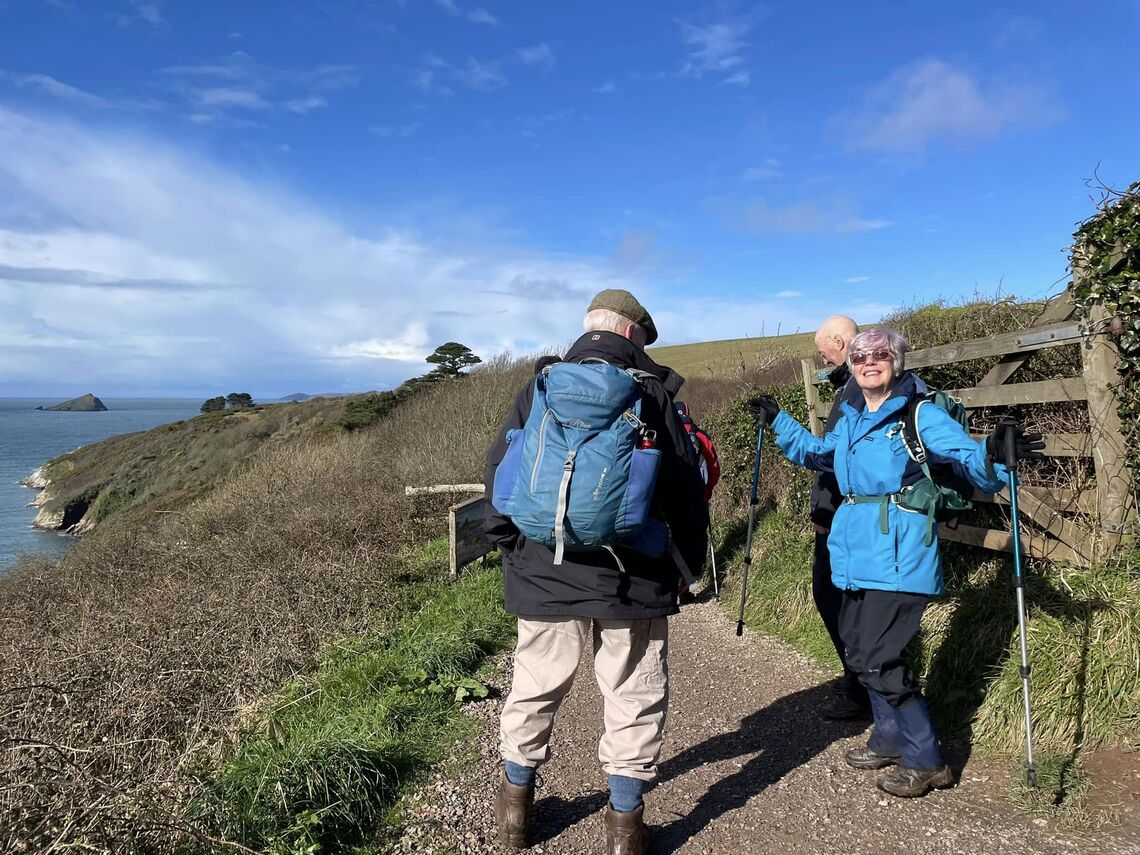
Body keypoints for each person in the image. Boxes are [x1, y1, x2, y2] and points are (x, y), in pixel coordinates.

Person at [749, 328, 1043, 798]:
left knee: (878, 657)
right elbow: (819, 454)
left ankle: (927, 758)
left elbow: (970, 458)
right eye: (862, 356)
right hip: (854, 552)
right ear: (851, 364)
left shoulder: (918, 414)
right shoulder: (850, 417)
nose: (870, 362)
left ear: (897, 363)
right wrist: (779, 420)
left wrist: (993, 452)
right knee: (856, 647)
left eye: (881, 355)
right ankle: (888, 737)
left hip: (900, 555)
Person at [484, 289, 709, 853]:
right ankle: (625, 829)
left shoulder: (540, 385)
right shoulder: (650, 393)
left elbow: (499, 472)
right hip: (629, 575)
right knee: (632, 690)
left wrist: (509, 544)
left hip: (542, 568)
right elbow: (683, 489)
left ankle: (515, 812)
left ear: (588, 328)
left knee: (534, 685)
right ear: (633, 333)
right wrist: (688, 563)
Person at [811, 315, 871, 720]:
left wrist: (823, 510)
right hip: (845, 512)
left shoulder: (855, 390)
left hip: (843, 515)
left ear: (838, 342)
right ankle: (861, 680)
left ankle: (860, 686)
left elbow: (836, 459)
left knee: (837, 598)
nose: (821, 357)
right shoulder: (852, 385)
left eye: (823, 350)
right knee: (840, 598)